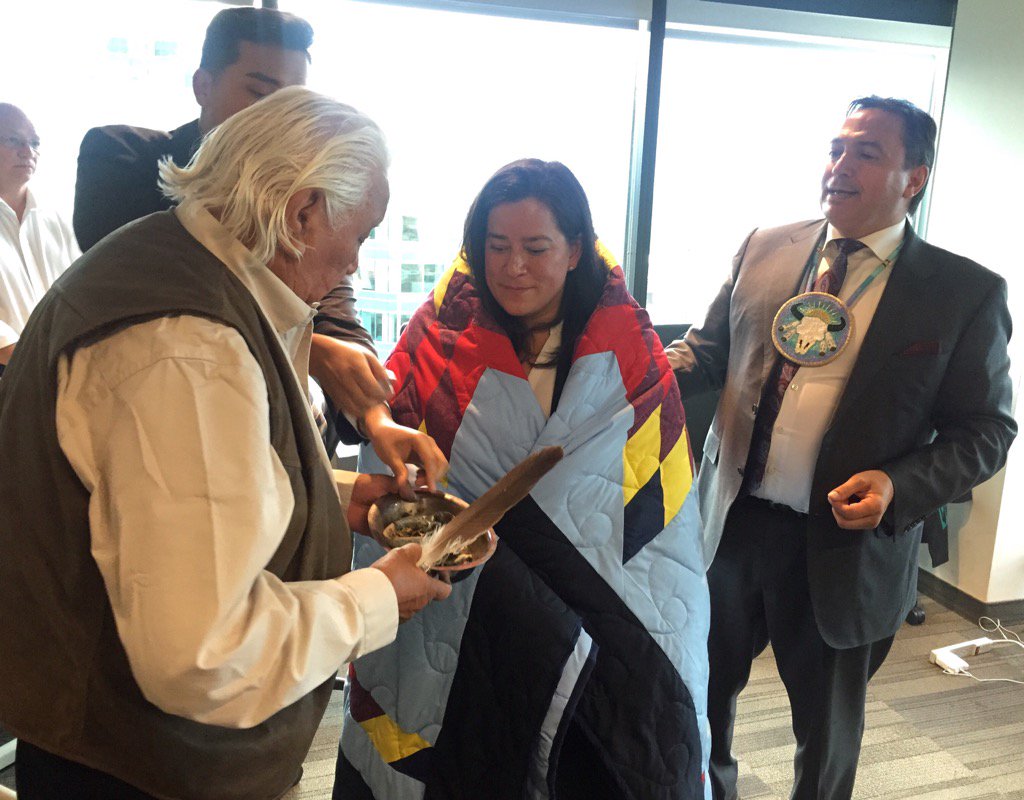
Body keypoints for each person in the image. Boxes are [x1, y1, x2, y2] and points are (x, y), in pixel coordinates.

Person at [0, 87, 452, 800]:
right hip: (135, 771)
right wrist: (380, 597)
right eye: (362, 235)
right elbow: (202, 656)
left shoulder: (174, 263)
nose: (357, 266)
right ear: (302, 213)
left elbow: (178, 487)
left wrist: (335, 497)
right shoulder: (190, 350)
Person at [665, 96, 1016, 800]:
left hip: (841, 545)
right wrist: (634, 365)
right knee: (699, 697)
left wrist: (898, 485)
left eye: (866, 153)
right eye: (836, 149)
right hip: (729, 523)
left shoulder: (962, 292)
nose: (839, 166)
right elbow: (707, 352)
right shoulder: (766, 247)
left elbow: (987, 431)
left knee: (825, 732)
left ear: (914, 178)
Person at [334, 159, 711, 800]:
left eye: (536, 248)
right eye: (497, 246)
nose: (513, 267)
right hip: (463, 596)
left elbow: (654, 501)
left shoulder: (629, 351)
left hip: (591, 590)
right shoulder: (440, 328)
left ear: (574, 249)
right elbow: (390, 432)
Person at [73, 6, 393, 434]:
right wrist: (311, 351)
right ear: (202, 86)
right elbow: (150, 281)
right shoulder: (121, 156)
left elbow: (333, 303)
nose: (277, 118)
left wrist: (375, 417)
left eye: (292, 102)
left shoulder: (304, 203)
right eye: (261, 94)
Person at [0, 103, 79, 372]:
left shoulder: (58, 217)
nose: (28, 152)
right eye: (14, 140)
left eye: (34, 143)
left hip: (63, 372)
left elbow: (81, 294)